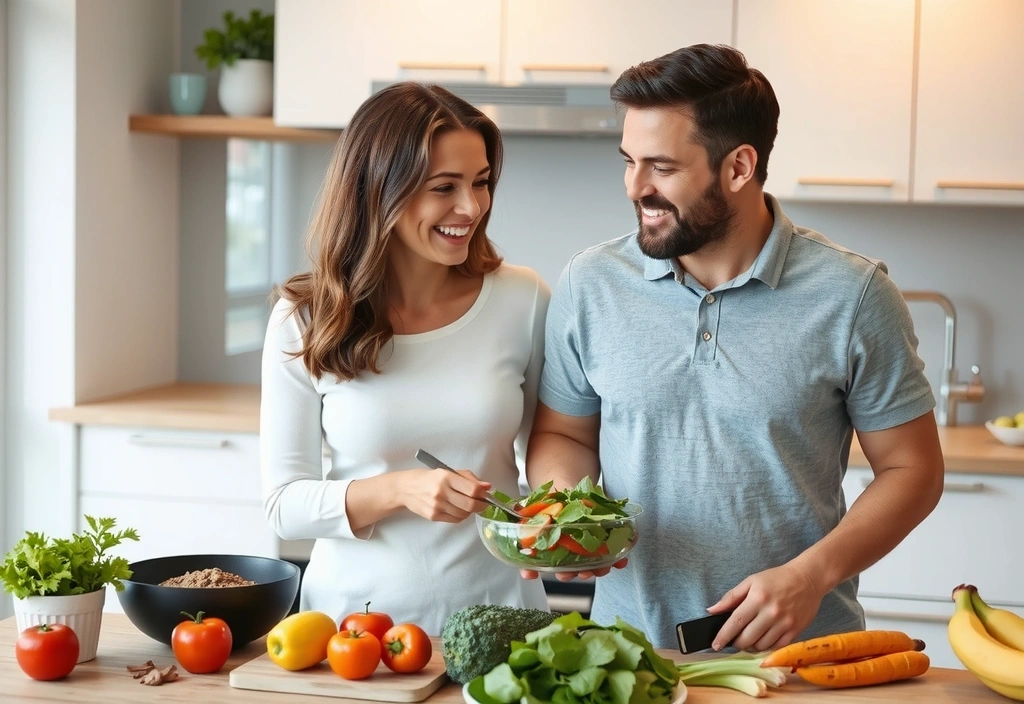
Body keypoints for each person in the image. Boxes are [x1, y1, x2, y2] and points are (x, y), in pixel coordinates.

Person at [524, 44, 944, 652]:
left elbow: (914, 470)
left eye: (661, 167)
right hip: (621, 654)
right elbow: (563, 435)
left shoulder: (853, 296)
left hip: (798, 659)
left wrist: (812, 574)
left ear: (739, 167)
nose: (634, 186)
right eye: (628, 161)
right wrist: (567, 518)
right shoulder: (591, 284)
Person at [261, 82, 551, 635]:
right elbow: (284, 504)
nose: (471, 207)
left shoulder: (524, 300)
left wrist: (563, 523)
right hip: (355, 632)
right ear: (379, 192)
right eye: (445, 187)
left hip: (504, 620)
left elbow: (550, 453)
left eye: (482, 182)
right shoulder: (305, 317)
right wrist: (399, 489)